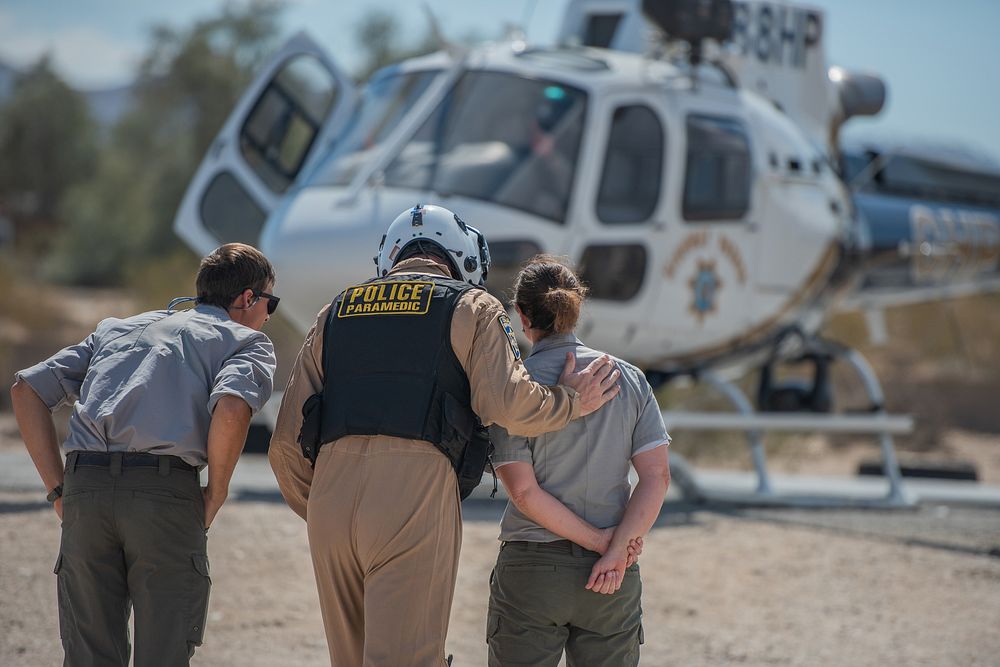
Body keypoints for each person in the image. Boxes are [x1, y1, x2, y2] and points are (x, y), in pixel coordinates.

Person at [268, 204, 622, 667]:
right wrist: (572, 402)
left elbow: (284, 443)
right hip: (412, 496)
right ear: (463, 259)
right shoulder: (473, 305)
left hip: (330, 504)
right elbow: (508, 404)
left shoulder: (336, 310)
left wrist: (320, 507)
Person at [10, 243, 278, 666]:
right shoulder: (246, 341)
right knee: (164, 652)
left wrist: (59, 491)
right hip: (164, 493)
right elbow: (231, 407)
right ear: (248, 298)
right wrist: (217, 492)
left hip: (86, 488)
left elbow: (26, 391)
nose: (268, 315)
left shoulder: (116, 329)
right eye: (270, 303)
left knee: (88, 655)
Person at [486, 255, 671, 667]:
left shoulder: (513, 388)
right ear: (575, 308)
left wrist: (602, 544)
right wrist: (615, 549)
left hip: (532, 572)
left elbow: (523, 492)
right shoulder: (630, 379)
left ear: (521, 314)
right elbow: (656, 477)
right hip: (613, 574)